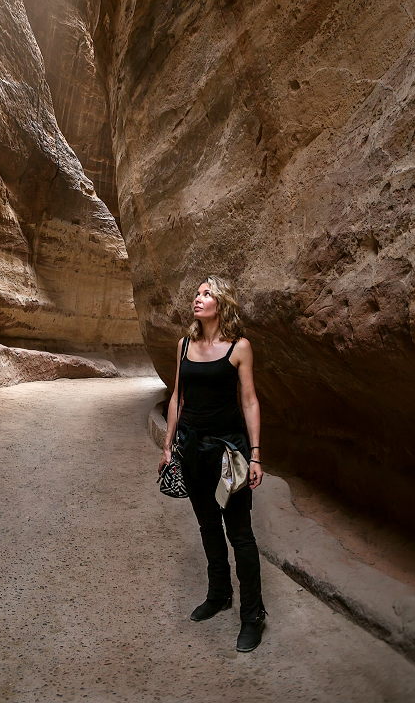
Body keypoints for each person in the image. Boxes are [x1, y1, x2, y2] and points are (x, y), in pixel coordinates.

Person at [158, 276, 266, 652]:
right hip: (191, 448)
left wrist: (255, 454)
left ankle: (252, 616)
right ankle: (219, 593)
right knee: (207, 525)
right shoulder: (184, 345)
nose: (197, 299)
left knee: (240, 534)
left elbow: (249, 401)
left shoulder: (239, 347)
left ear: (222, 304)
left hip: (228, 453)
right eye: (197, 293)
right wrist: (169, 446)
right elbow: (178, 397)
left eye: (206, 294)